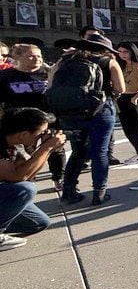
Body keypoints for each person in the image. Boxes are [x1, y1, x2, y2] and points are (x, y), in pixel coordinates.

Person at [50, 34, 125, 205]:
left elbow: (51, 86)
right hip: (100, 110)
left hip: (70, 112)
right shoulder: (108, 62)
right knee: (100, 151)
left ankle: (69, 190)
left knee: (78, 151)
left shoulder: (64, 61)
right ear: (105, 49)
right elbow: (121, 88)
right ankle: (99, 193)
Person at [0, 44, 66, 189]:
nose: (37, 59)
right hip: (21, 125)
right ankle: (28, 180)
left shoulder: (48, 73)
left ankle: (59, 178)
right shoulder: (6, 76)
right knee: (25, 155)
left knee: (56, 149)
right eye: (31, 56)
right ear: (16, 57)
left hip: (48, 119)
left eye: (39, 56)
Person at [1, 108, 67, 248]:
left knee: (39, 222)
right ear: (24, 134)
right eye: (41, 132)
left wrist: (47, 148)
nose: (45, 134)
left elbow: (29, 174)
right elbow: (18, 176)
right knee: (24, 190)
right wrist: (46, 148)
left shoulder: (15, 143)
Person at [115, 41, 138, 164]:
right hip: (122, 98)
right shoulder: (121, 65)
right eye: (120, 52)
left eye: (125, 52)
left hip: (136, 97)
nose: (122, 54)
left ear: (132, 52)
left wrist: (135, 97)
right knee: (127, 127)